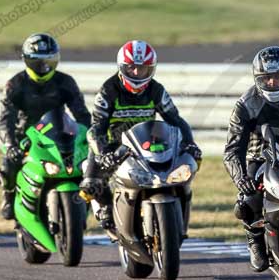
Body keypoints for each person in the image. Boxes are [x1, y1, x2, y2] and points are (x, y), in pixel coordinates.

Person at [79, 40, 202, 230]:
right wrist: (103, 153)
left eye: (143, 69)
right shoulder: (108, 91)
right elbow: (96, 129)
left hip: (147, 144)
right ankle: (105, 206)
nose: (137, 73)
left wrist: (189, 143)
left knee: (178, 172)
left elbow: (175, 120)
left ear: (151, 69)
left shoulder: (156, 90)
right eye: (132, 68)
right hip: (114, 146)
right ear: (122, 67)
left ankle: (175, 211)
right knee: (90, 184)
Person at [223, 46, 279, 272]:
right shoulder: (246, 104)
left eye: (278, 77)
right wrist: (240, 178)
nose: (272, 83)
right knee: (248, 200)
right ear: (257, 78)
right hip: (260, 158)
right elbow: (232, 149)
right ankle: (255, 237)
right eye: (267, 78)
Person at [0, 33, 90, 220]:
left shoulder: (65, 82)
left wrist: (88, 135)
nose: (43, 66)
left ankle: (89, 199)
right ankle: (9, 195)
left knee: (87, 164)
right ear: (26, 61)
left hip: (59, 134)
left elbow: (82, 114)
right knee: (8, 167)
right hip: (27, 137)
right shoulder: (15, 85)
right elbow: (6, 120)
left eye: (48, 61)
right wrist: (10, 145)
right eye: (37, 62)